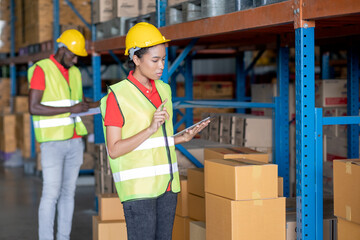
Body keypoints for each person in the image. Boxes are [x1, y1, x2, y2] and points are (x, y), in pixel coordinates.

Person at [100, 22, 210, 240]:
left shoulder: (164, 89)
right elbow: (114, 150)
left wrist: (180, 138)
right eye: (155, 60)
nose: (161, 66)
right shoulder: (118, 96)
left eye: (163, 59)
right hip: (139, 191)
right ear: (136, 59)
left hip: (168, 185)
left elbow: (157, 142)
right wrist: (150, 128)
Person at [28, 29, 98, 240]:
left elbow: (80, 105)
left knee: (69, 193)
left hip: (75, 141)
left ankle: (63, 237)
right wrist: (70, 110)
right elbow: (33, 107)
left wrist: (102, 104)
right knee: (51, 194)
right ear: (62, 49)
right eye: (73, 55)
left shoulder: (75, 72)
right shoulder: (42, 69)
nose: (75, 60)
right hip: (52, 143)